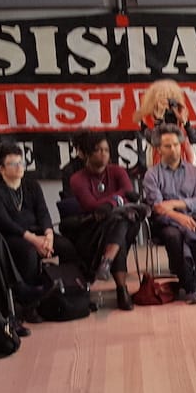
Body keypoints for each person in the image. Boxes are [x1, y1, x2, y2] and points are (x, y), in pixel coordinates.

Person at [144, 125, 196, 304]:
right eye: (167, 146)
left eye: (176, 144)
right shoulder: (152, 174)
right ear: (159, 149)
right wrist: (178, 216)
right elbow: (158, 207)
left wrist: (173, 203)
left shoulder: (195, 171)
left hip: (192, 215)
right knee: (175, 237)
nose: (173, 149)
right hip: (166, 221)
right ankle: (190, 286)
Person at [0, 143, 80, 285]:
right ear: (1, 169)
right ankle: (31, 292)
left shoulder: (32, 185)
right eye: (13, 164)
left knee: (66, 246)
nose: (19, 167)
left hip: (37, 232)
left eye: (21, 162)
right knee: (29, 252)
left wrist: (49, 236)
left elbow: (43, 212)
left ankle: (70, 288)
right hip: (12, 236)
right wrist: (33, 239)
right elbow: (3, 221)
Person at [69, 133, 144, 310]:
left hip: (122, 224)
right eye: (98, 150)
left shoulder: (118, 171)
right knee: (120, 223)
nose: (103, 154)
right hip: (93, 227)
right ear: (87, 153)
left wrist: (110, 204)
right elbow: (91, 205)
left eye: (106, 150)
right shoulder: (77, 178)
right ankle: (121, 289)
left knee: (120, 220)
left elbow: (128, 192)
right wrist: (118, 200)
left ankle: (107, 262)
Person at [140, 78, 196, 167]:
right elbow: (155, 140)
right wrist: (159, 120)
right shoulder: (148, 119)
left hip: (185, 165)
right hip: (160, 166)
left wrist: (186, 124)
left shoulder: (180, 115)